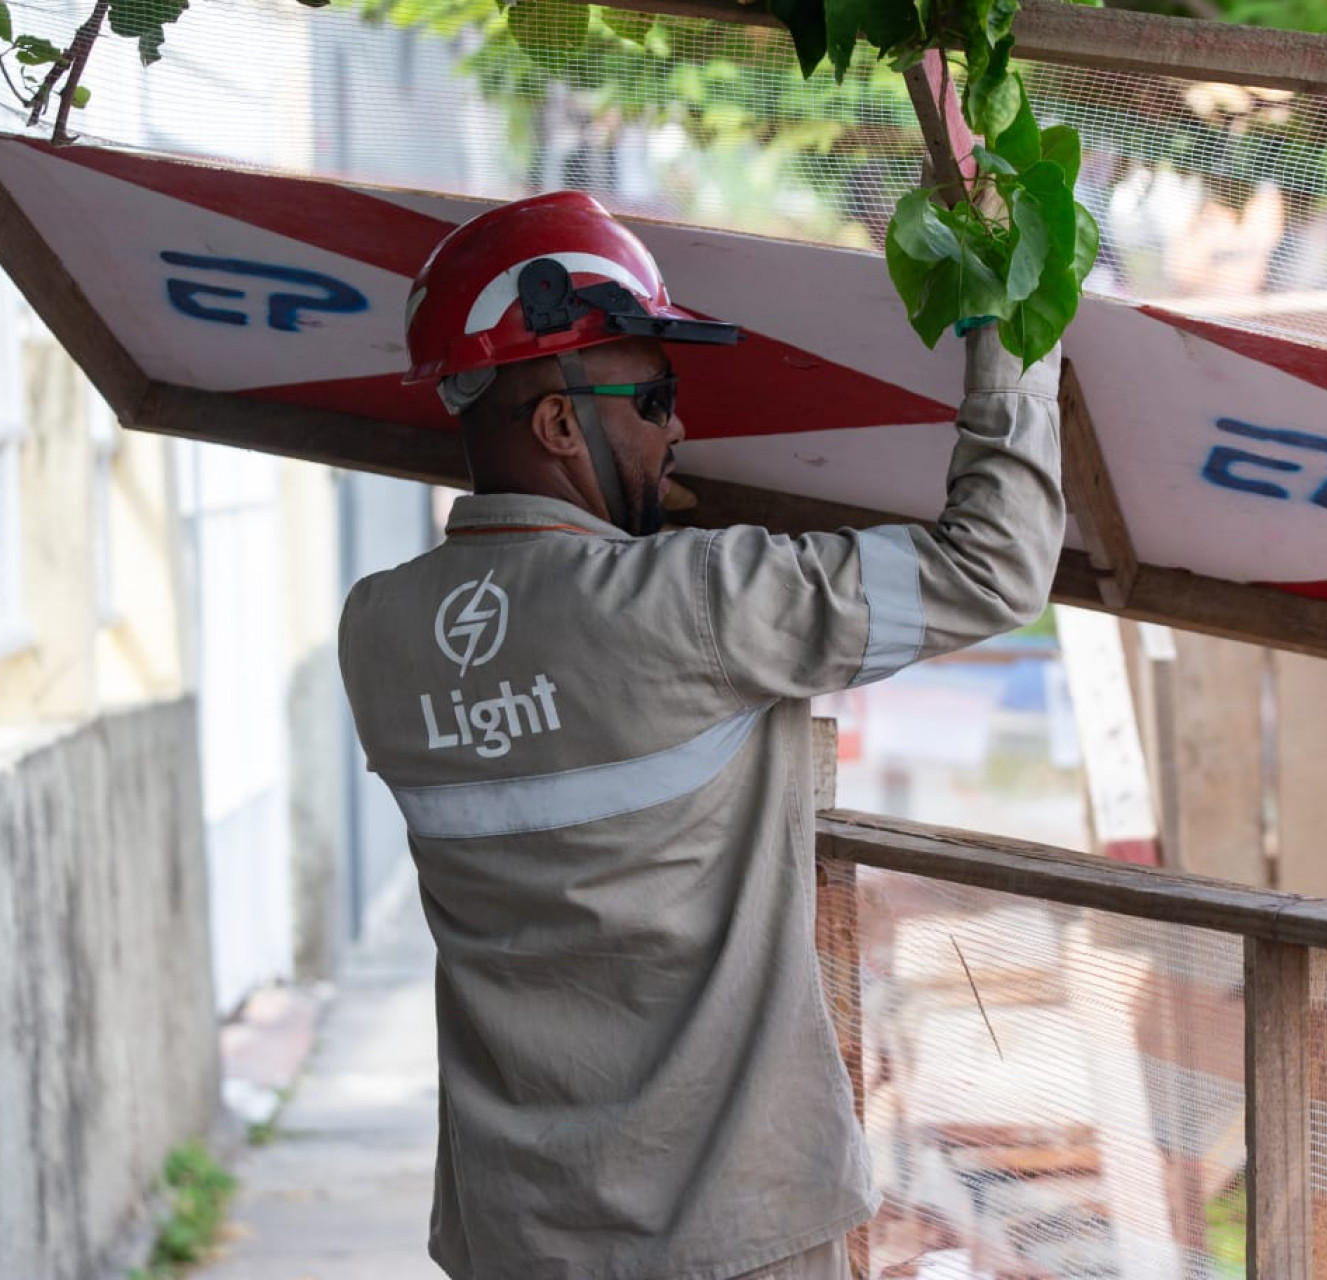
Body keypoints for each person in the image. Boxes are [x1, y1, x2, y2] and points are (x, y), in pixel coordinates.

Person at [337, 190, 1065, 1280]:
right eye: (656, 396)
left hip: (515, 1233)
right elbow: (995, 563)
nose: (681, 428)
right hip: (729, 1226)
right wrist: (1013, 334)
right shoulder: (694, 602)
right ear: (556, 424)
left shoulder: (378, 631)